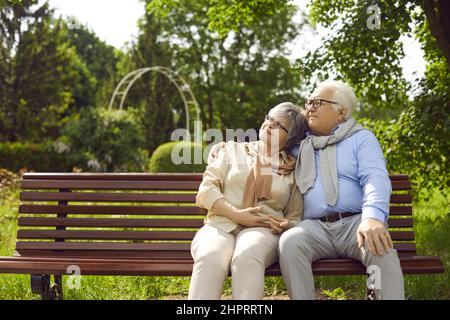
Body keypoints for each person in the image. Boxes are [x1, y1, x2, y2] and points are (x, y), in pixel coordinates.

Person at [279, 80, 405, 300]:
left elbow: (375, 178)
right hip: (315, 228)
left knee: (380, 248)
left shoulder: (362, 139)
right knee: (290, 243)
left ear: (341, 112)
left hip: (356, 223)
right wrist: (228, 147)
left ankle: (377, 296)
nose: (310, 107)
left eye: (318, 102)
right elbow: (262, 143)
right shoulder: (300, 145)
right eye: (309, 102)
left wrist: (373, 218)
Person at [188, 102, 308, 300]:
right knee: (211, 255)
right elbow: (206, 191)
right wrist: (236, 214)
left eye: (279, 125)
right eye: (269, 118)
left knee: (246, 255)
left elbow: (295, 214)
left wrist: (288, 225)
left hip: (263, 229)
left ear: (291, 138)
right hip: (220, 224)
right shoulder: (232, 150)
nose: (269, 125)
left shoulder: (292, 169)